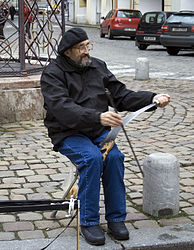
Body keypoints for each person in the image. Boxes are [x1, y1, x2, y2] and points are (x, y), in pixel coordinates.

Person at [40, 27, 170, 246]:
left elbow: (121, 95)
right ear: (68, 52)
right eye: (81, 48)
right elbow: (62, 108)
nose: (86, 51)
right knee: (91, 159)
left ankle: (116, 219)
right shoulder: (52, 74)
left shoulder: (97, 66)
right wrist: (98, 117)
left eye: (88, 46)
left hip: (97, 131)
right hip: (67, 132)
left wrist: (152, 99)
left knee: (114, 159)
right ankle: (89, 222)